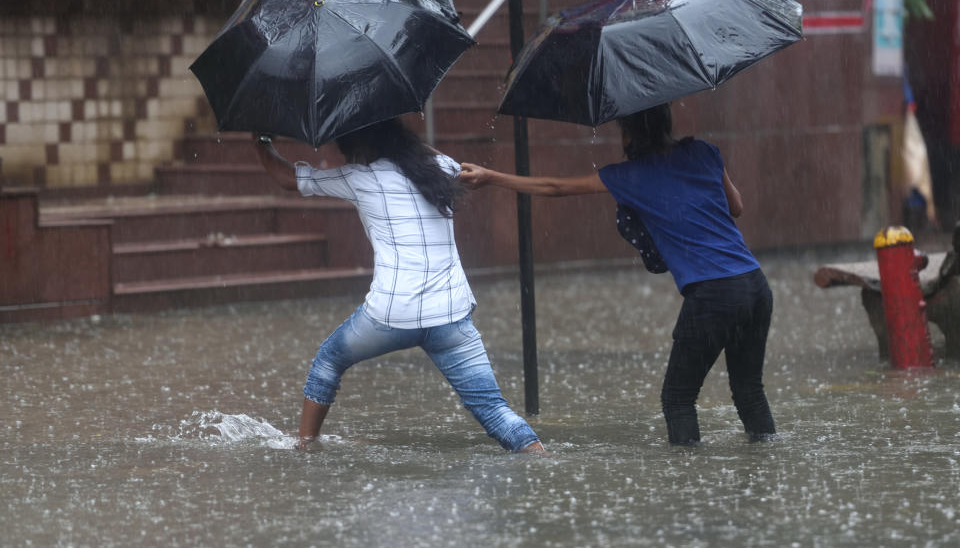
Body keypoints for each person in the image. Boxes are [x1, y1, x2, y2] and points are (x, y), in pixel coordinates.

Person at [460, 103, 776, 445]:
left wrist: (491, 177)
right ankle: (765, 466)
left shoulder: (629, 176)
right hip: (756, 286)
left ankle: (689, 487)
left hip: (714, 294)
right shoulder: (703, 151)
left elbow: (555, 187)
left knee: (678, 398)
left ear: (628, 134)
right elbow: (737, 207)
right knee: (749, 389)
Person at [253, 118, 543, 453]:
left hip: (390, 315)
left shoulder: (359, 177)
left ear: (358, 147)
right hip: (449, 315)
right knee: (493, 410)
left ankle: (305, 447)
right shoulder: (441, 166)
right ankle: (542, 460)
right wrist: (401, 136)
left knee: (329, 361)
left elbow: (287, 178)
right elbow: (431, 156)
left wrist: (261, 139)